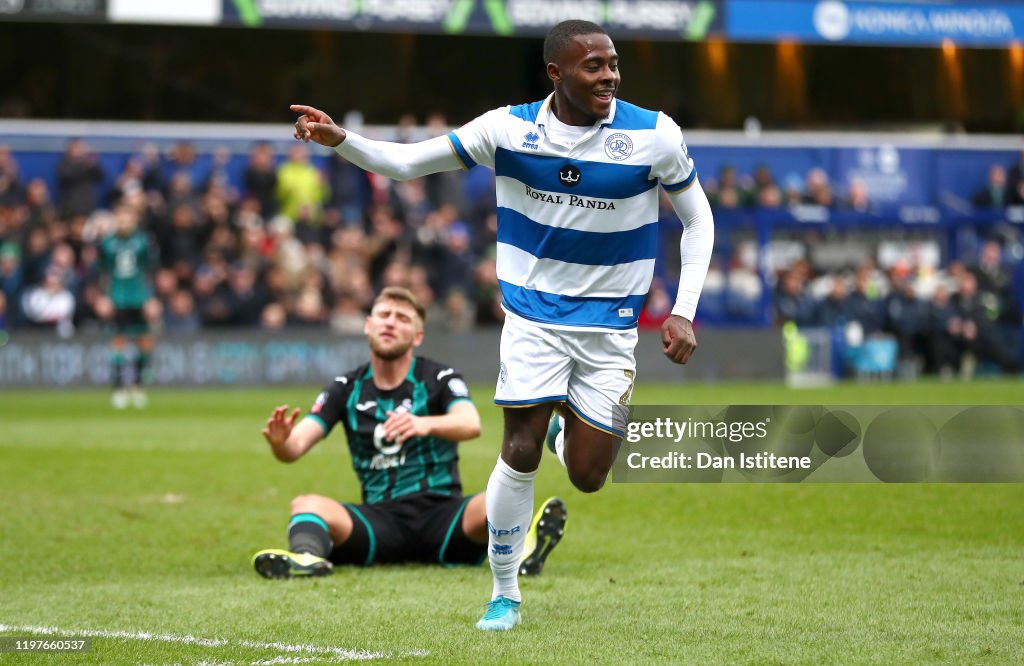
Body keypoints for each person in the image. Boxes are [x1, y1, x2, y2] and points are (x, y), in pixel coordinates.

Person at [289, 19, 714, 631]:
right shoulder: (507, 128)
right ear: (556, 73)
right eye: (593, 66)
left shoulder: (654, 135)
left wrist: (683, 310)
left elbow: (698, 222)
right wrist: (341, 141)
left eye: (613, 63)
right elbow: (407, 164)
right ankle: (505, 592)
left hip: (610, 329)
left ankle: (562, 433)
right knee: (517, 450)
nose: (610, 76)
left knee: (591, 476)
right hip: (533, 318)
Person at [252, 287, 566, 580]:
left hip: (443, 516)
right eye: (384, 315)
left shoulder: (439, 377)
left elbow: (470, 423)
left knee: (498, 498)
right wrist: (281, 443)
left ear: (417, 336)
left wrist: (422, 424)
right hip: (378, 521)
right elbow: (295, 447)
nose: (390, 323)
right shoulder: (345, 388)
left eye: (402, 318)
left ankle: (523, 552)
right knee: (306, 504)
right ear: (368, 325)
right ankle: (307, 559)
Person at [98, 204, 158, 408]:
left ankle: (138, 386)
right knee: (118, 341)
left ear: (134, 220)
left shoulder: (143, 241)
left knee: (144, 341)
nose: (124, 223)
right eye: (120, 219)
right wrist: (103, 297)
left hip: (139, 297)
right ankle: (119, 387)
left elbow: (150, 270)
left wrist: (151, 297)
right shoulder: (107, 243)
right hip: (117, 297)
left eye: (128, 219)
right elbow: (102, 272)